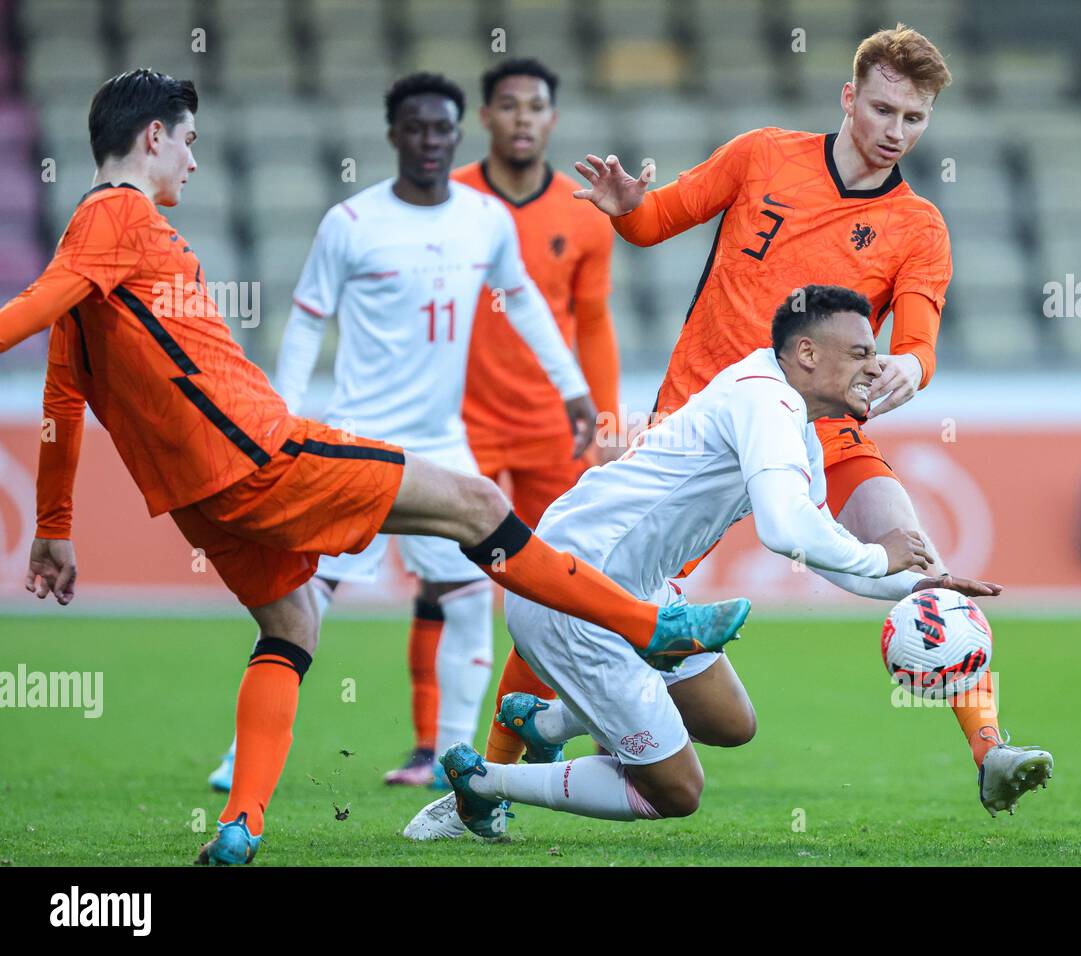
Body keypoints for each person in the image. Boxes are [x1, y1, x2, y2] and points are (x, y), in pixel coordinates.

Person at [0, 68, 749, 865]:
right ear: (154, 136)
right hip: (262, 451)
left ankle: (241, 824)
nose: (192, 160)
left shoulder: (89, 238)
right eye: (188, 141)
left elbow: (60, 399)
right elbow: (31, 311)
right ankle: (653, 626)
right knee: (472, 504)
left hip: (200, 498)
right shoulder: (119, 213)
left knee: (292, 624)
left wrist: (52, 527)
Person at [570, 24, 1050, 809]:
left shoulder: (919, 227)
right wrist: (626, 209)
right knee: (597, 593)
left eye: (915, 119)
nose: (897, 132)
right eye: (885, 110)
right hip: (700, 428)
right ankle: (500, 762)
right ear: (849, 97)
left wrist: (907, 365)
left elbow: (920, 340)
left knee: (916, 559)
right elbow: (656, 221)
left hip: (826, 430)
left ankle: (990, 750)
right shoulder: (763, 154)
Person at [406, 288, 1046, 842]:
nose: (875, 367)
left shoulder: (792, 420)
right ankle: (486, 783)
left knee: (729, 722)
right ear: (806, 355)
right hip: (570, 593)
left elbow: (813, 543)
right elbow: (782, 528)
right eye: (860, 353)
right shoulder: (766, 401)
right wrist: (882, 553)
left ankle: (545, 720)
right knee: (675, 792)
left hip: (632, 587)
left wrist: (917, 583)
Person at [207, 71, 597, 794]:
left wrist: (571, 386)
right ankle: (243, 755)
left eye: (441, 129)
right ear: (393, 134)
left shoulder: (484, 219)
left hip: (440, 442)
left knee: (471, 593)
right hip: (354, 438)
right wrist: (283, 418)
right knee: (303, 595)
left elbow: (522, 300)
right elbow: (308, 319)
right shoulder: (352, 223)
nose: (429, 140)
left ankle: (453, 760)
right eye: (415, 128)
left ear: (457, 134)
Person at [451, 57, 623, 772]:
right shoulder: (449, 199)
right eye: (509, 105)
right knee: (455, 583)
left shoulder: (582, 214)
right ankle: (440, 742)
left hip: (557, 426)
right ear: (485, 117)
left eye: (536, 106)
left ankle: (518, 745)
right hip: (463, 424)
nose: (523, 118)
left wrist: (607, 423)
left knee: (559, 584)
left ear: (552, 120)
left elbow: (593, 323)